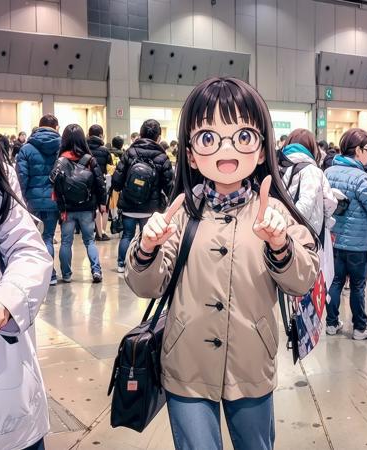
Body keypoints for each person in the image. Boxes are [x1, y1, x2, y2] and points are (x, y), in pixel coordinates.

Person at [124, 77, 319, 450]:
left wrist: (280, 245)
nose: (226, 150)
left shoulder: (274, 211)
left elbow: (303, 281)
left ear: (261, 150)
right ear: (193, 154)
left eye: (242, 137)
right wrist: (147, 246)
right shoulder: (181, 213)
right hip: (187, 364)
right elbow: (147, 286)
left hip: (250, 363)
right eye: (209, 137)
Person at [0, 133, 53, 450]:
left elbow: (25, 245)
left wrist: (6, 299)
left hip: (6, 403)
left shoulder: (13, 159)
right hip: (52, 204)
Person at [325, 128, 367, 340]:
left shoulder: (328, 172)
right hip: (357, 243)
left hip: (334, 240)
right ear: (357, 150)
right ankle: (360, 328)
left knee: (335, 282)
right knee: (357, 286)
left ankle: (331, 323)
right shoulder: (359, 176)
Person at [112, 119, 174, 273]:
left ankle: (121, 264)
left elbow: (116, 182)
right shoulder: (162, 157)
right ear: (158, 138)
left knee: (127, 235)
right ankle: (145, 265)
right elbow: (170, 186)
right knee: (149, 238)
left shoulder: (130, 153)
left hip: (128, 204)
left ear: (140, 134)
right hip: (150, 207)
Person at [280, 129, 337, 294]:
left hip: (280, 236)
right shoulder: (312, 170)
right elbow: (312, 203)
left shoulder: (277, 166)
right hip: (306, 237)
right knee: (306, 285)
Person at [50, 124, 107, 283]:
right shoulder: (90, 160)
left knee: (66, 242)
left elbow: (53, 182)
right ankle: (96, 270)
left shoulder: (61, 160)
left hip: (67, 208)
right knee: (90, 240)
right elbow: (100, 183)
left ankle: (67, 275)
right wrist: (102, 202)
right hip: (87, 207)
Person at [15, 114, 61, 285]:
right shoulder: (61, 147)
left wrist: (23, 200)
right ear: (56, 127)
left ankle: (36, 275)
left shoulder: (26, 149)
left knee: (34, 239)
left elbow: (21, 178)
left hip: (32, 203)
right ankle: (51, 275)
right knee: (48, 237)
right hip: (54, 200)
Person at [87, 125, 113, 241]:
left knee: (91, 206)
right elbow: (110, 168)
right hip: (101, 181)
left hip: (86, 181)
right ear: (101, 135)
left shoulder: (84, 149)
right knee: (103, 207)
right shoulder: (105, 150)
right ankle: (101, 232)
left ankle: (90, 229)